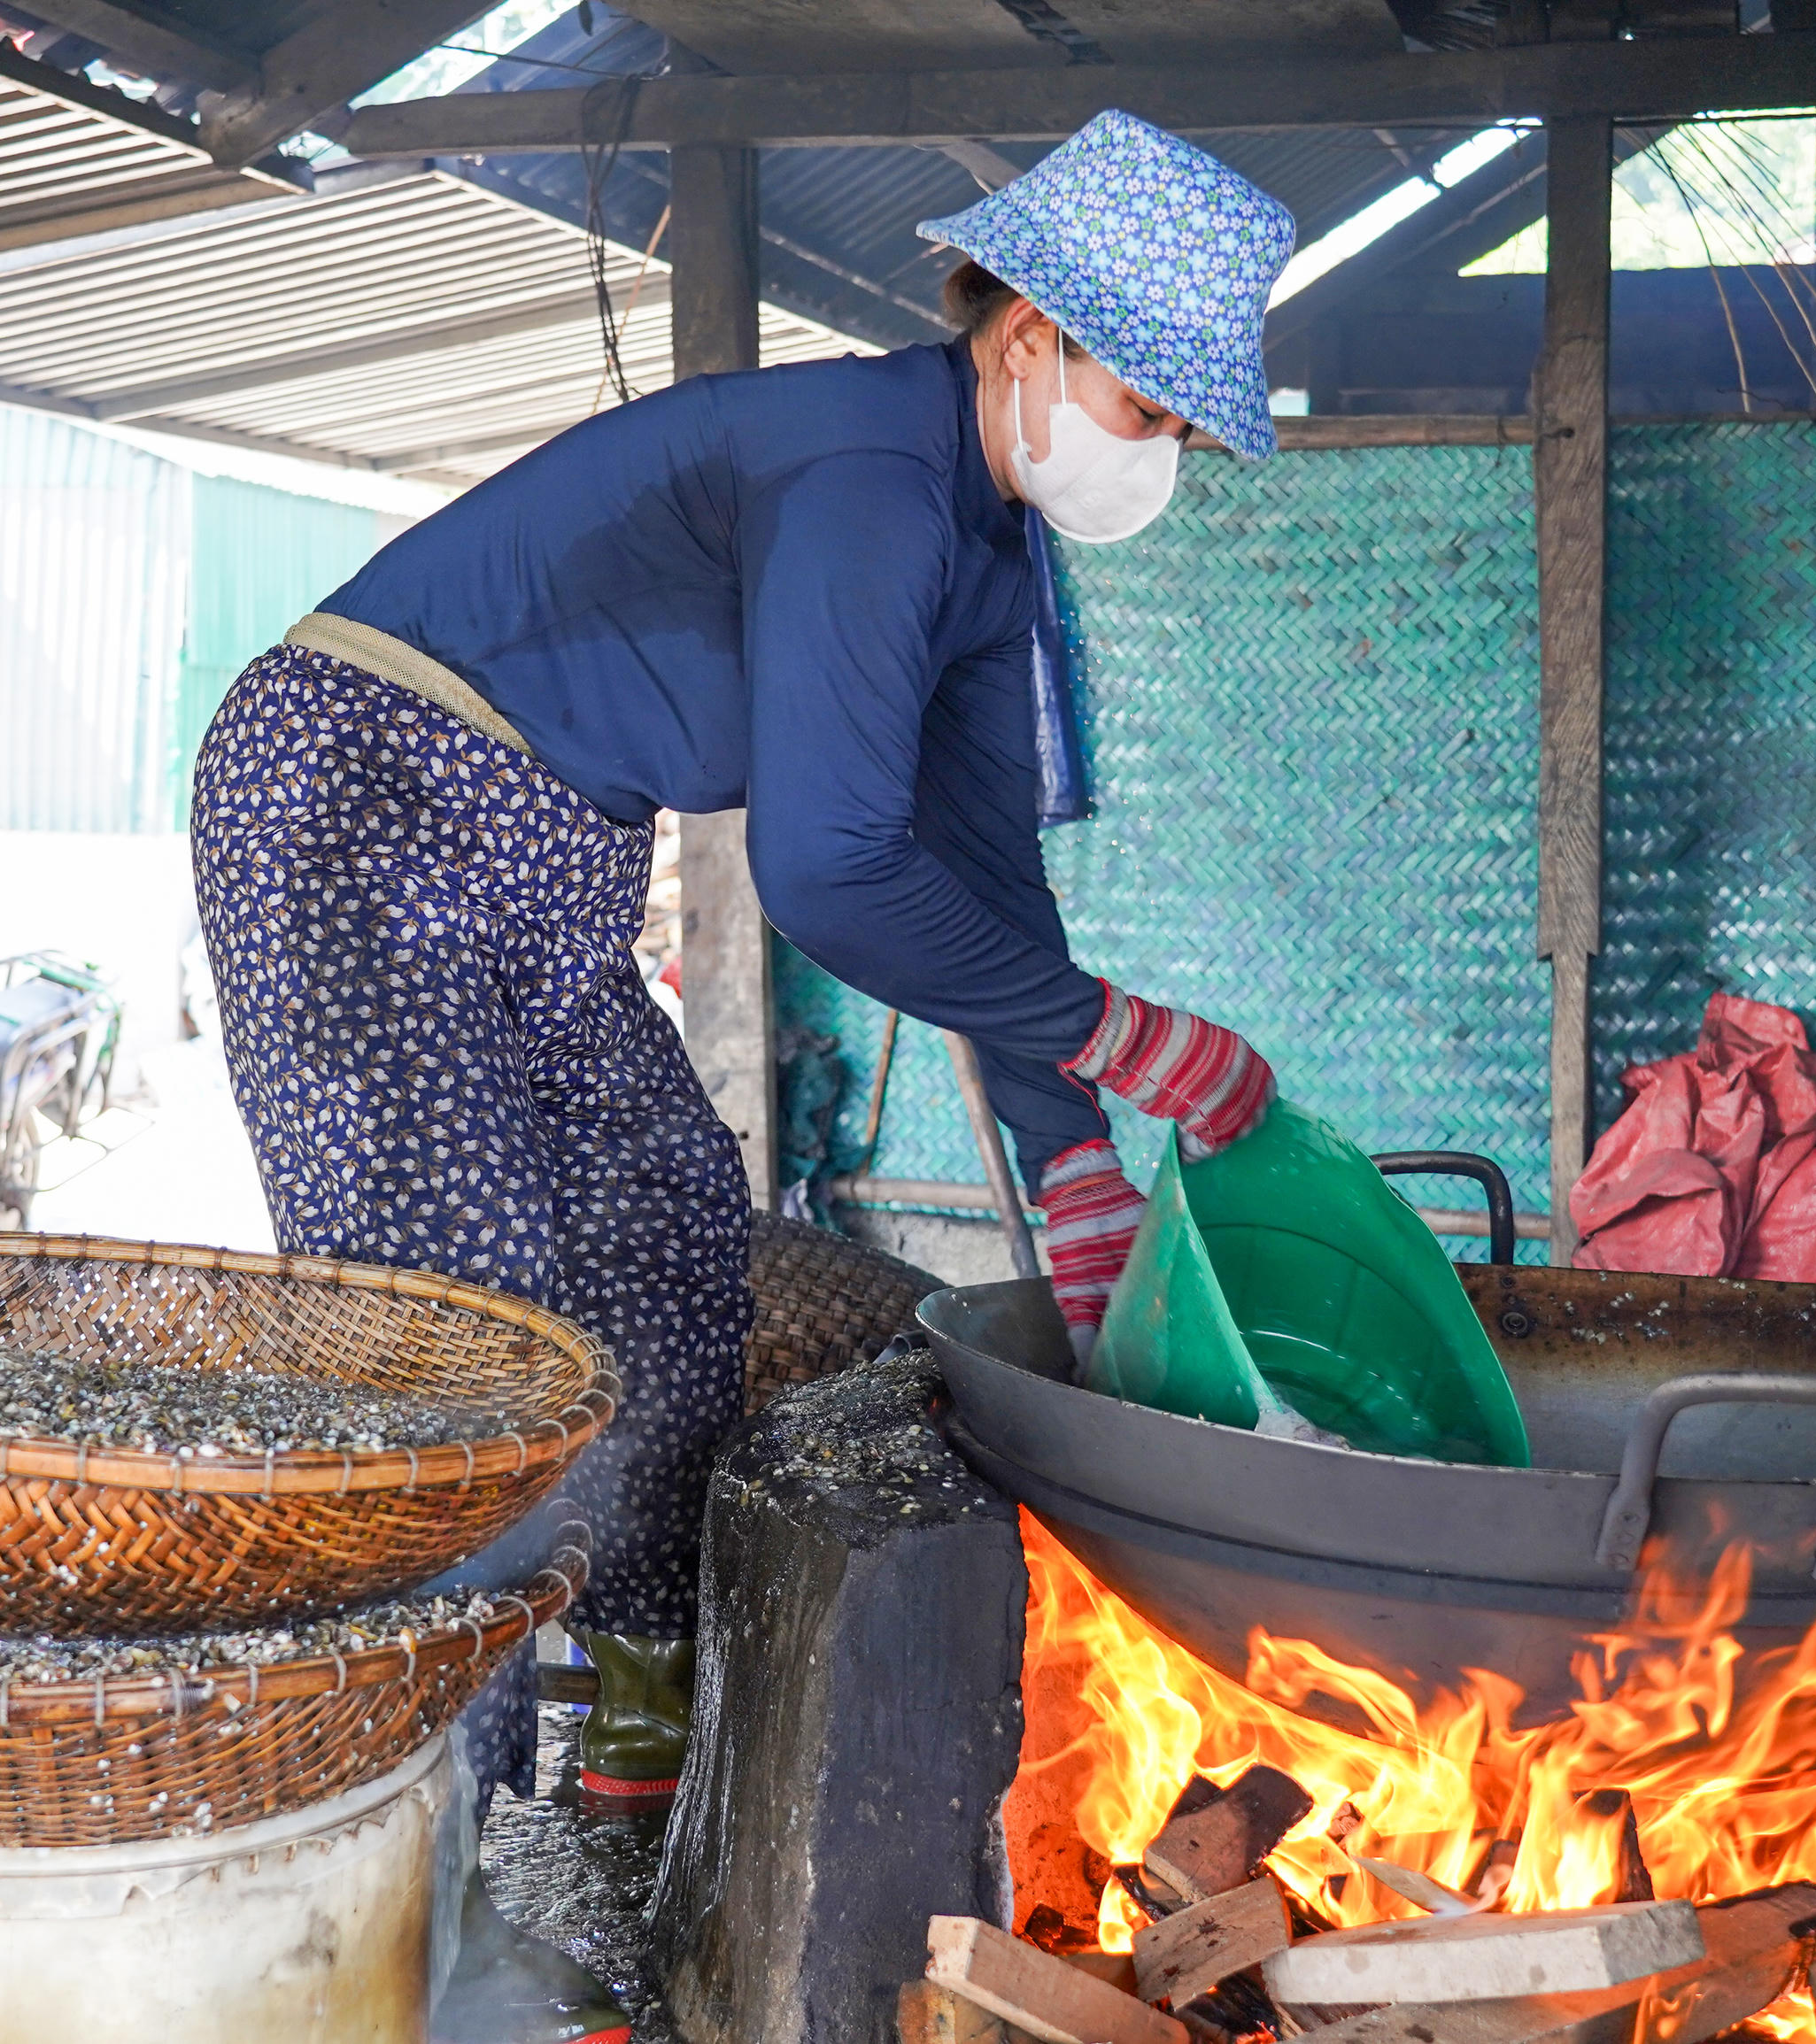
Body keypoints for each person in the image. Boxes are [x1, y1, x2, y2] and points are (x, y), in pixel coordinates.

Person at [188, 111, 1294, 2041]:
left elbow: (979, 876)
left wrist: (1089, 1184)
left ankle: (611, 1813)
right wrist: (1127, 1038)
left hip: (538, 856)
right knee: (481, 1349)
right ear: (1024, 331)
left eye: (1188, 429)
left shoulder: (986, 551)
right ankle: (445, 1922)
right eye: (1148, 398)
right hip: (357, 787)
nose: (1160, 452)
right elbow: (837, 874)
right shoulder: (872, 471)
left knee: (671, 1252)